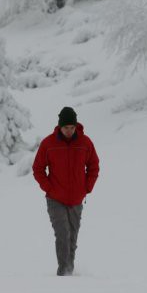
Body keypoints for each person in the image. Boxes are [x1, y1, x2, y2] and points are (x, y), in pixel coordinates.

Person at [32, 107, 100, 276]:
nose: (69, 131)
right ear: (59, 127)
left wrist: (87, 187)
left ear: (76, 126)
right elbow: (38, 168)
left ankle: (70, 270)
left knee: (72, 237)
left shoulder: (85, 143)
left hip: (77, 199)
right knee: (63, 234)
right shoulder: (48, 144)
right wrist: (49, 187)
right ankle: (63, 274)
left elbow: (93, 166)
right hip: (55, 199)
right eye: (65, 128)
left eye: (72, 127)